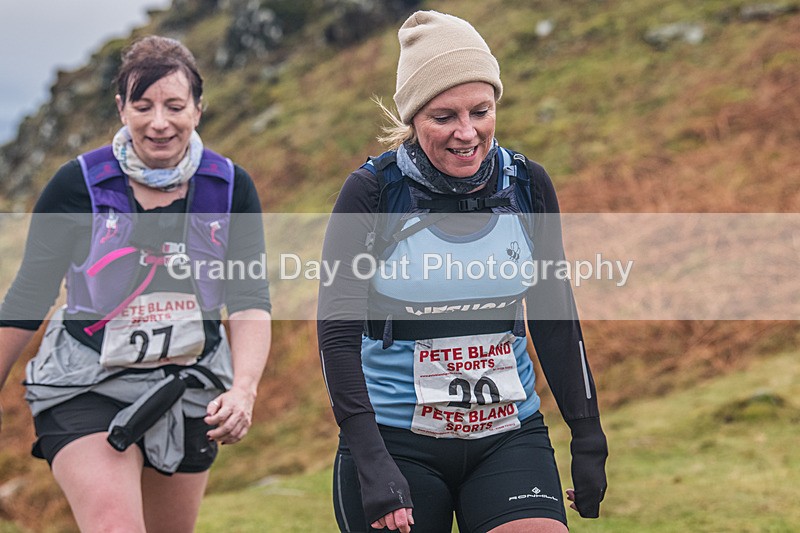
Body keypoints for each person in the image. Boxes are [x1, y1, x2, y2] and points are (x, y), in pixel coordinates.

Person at [317, 11, 608, 533]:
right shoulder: (372, 193)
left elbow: (554, 318)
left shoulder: (527, 186)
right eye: (443, 116)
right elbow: (335, 337)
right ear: (412, 117)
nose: (466, 132)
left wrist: (588, 436)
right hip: (395, 443)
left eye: (481, 110)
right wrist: (371, 459)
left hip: (508, 435)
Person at [0, 36, 272, 532]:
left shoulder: (230, 188)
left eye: (174, 105)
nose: (159, 122)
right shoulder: (77, 185)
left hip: (188, 389)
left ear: (198, 108)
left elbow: (249, 299)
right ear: (122, 107)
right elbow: (28, 295)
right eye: (143, 106)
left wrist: (244, 390)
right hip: (86, 383)